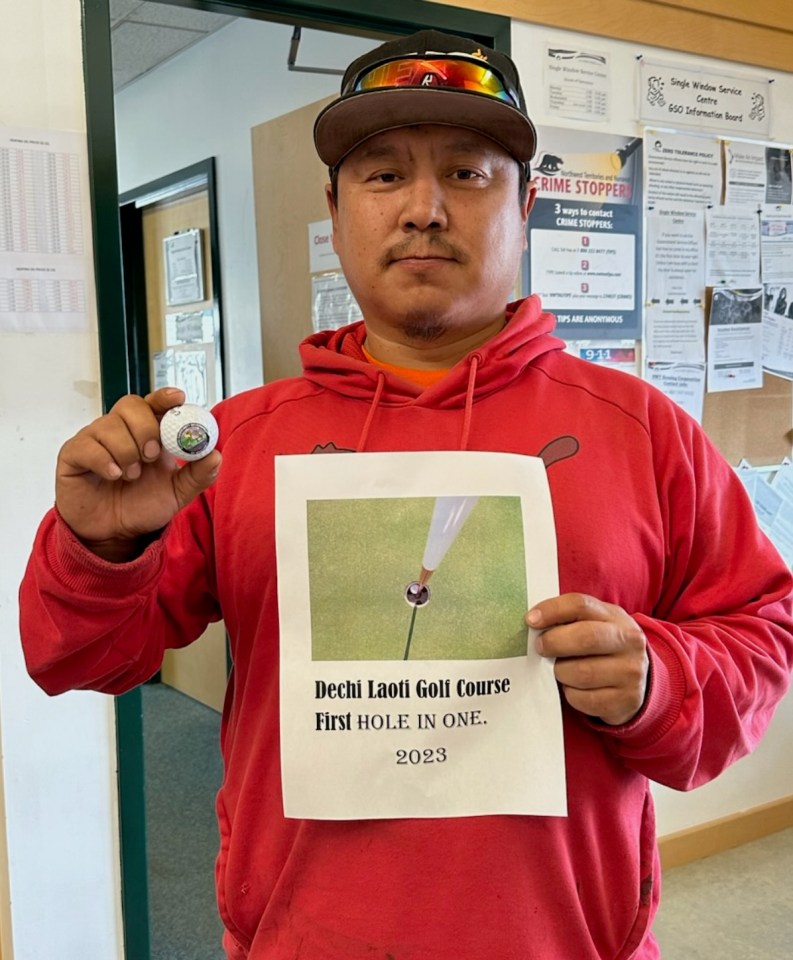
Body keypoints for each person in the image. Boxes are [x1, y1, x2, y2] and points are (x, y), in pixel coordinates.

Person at [19, 29, 793, 960]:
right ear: (336, 208)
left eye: (467, 174)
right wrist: (100, 551)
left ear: (525, 203)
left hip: (564, 940)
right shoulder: (237, 444)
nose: (423, 209)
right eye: (383, 175)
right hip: (303, 938)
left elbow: (759, 635)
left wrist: (656, 680)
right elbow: (79, 662)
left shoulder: (641, 429)